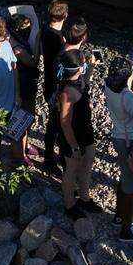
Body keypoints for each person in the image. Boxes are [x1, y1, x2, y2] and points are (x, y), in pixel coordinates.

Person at [54, 48, 101, 219]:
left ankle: (84, 197)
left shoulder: (78, 80)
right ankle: (69, 204)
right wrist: (74, 147)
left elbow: (85, 83)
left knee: (87, 163)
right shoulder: (67, 92)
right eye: (84, 63)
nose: (85, 64)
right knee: (71, 170)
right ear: (78, 68)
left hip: (85, 130)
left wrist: (93, 67)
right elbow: (65, 123)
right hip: (72, 136)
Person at [104, 60, 133, 242]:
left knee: (124, 177)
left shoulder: (108, 87)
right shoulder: (128, 97)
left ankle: (119, 216)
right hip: (132, 141)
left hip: (118, 135)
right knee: (131, 187)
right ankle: (126, 229)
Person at [7, 13, 41, 166]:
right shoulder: (17, 48)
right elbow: (33, 63)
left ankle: (25, 145)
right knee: (22, 119)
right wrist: (38, 43)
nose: (28, 31)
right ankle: (18, 156)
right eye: (26, 28)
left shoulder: (15, 40)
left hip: (27, 83)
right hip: (23, 85)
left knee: (28, 117)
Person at [40, 0, 69, 173]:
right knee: (56, 124)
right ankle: (50, 159)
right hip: (56, 88)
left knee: (54, 122)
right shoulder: (59, 40)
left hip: (48, 82)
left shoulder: (45, 29)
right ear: (65, 15)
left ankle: (51, 156)